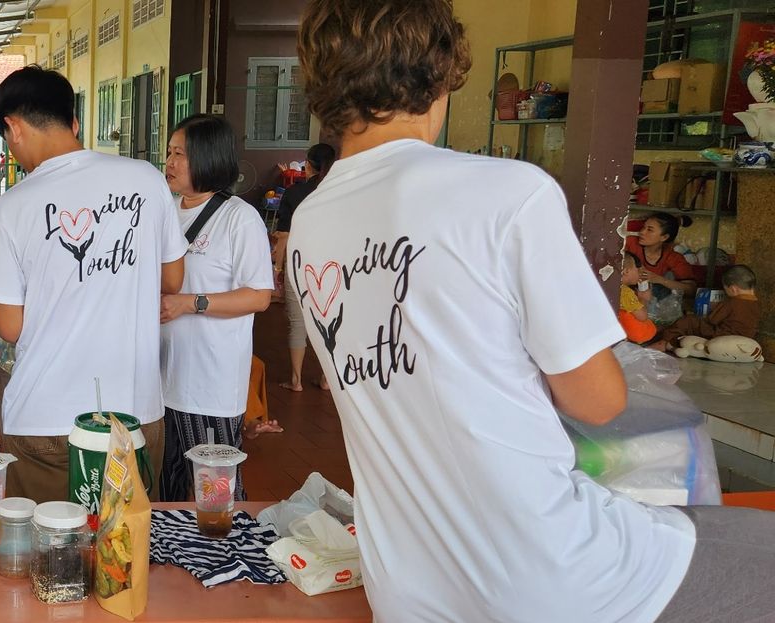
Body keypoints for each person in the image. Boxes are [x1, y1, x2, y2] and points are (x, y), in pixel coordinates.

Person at [294, 1, 774, 621]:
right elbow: (597, 401)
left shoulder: (309, 221)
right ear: (439, 76)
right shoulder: (508, 192)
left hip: (408, 587)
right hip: (552, 571)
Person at [0, 66, 185, 503]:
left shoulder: (8, 211)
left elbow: (10, 328)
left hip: (45, 418)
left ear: (12, 127)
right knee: (124, 558)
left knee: (52, 559)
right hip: (134, 414)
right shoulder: (146, 180)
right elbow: (173, 278)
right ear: (73, 121)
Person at [156, 114, 274, 502]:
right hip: (160, 379)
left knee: (214, 491)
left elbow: (258, 296)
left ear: (208, 158)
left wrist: (189, 303)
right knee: (167, 482)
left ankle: (227, 555)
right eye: (169, 153)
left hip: (209, 384)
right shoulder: (166, 211)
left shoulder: (238, 218)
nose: (169, 163)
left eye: (180, 154)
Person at [273, 143, 335, 392]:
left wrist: (277, 268)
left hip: (299, 263)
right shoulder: (339, 192)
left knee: (298, 321)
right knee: (329, 321)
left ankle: (296, 379)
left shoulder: (294, 194)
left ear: (307, 165)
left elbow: (283, 236)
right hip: (332, 266)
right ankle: (327, 379)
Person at [652, 264, 759, 350]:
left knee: (689, 321)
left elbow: (713, 320)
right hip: (747, 337)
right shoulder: (756, 304)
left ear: (733, 289)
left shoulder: (732, 302)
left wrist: (714, 308)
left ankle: (667, 342)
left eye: (725, 290)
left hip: (721, 335)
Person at [627, 212, 697, 318]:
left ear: (664, 237)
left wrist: (659, 279)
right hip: (627, 300)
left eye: (649, 230)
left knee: (666, 280)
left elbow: (691, 290)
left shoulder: (673, 258)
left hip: (654, 308)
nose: (642, 232)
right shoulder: (630, 243)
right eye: (643, 227)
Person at [617, 253, 658, 344]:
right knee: (653, 330)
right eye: (637, 269)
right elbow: (642, 317)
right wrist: (643, 298)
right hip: (634, 334)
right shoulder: (625, 292)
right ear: (626, 271)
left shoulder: (609, 286)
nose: (639, 273)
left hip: (615, 330)